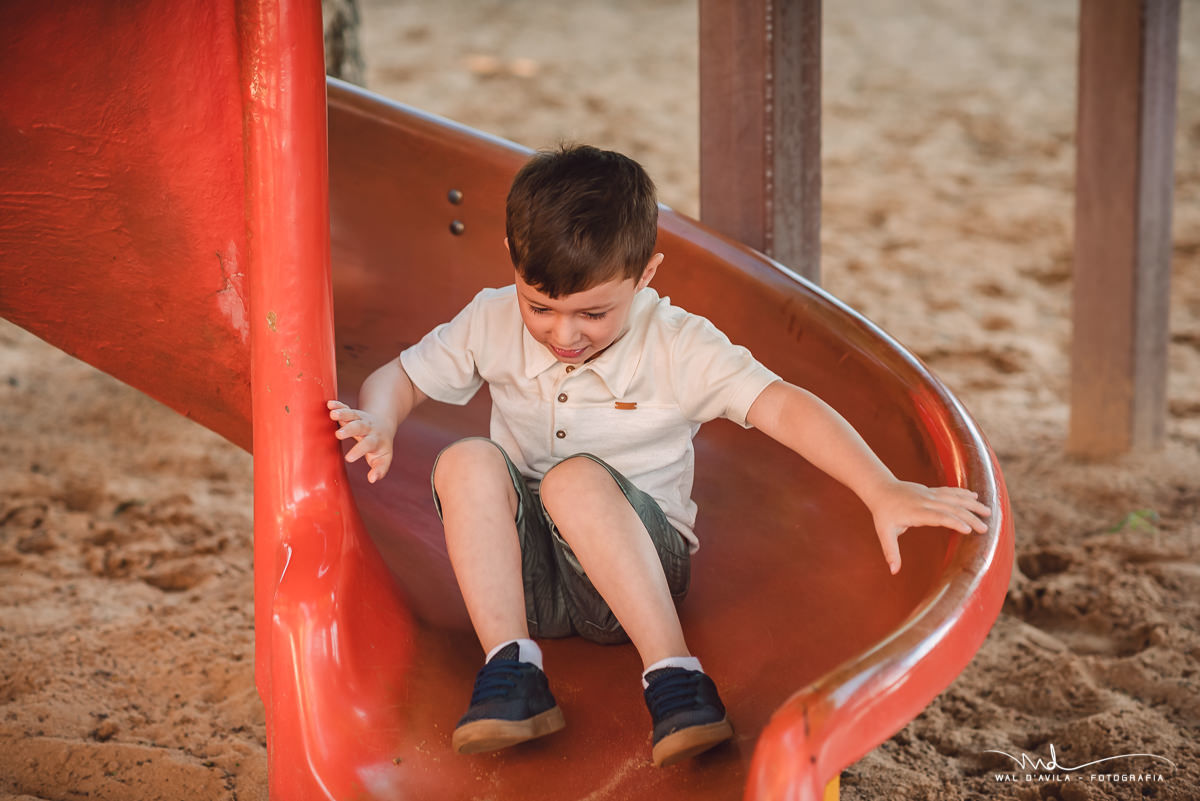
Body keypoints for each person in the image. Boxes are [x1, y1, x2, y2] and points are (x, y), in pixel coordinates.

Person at [326, 144, 991, 767]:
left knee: (572, 480)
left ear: (645, 274)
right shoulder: (492, 318)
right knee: (466, 458)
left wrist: (879, 487)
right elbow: (402, 376)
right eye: (541, 307)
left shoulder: (677, 344)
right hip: (530, 581)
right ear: (512, 261)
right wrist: (380, 418)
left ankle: (674, 675)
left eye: (593, 314)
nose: (564, 333)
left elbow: (783, 405)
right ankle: (512, 665)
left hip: (634, 574)